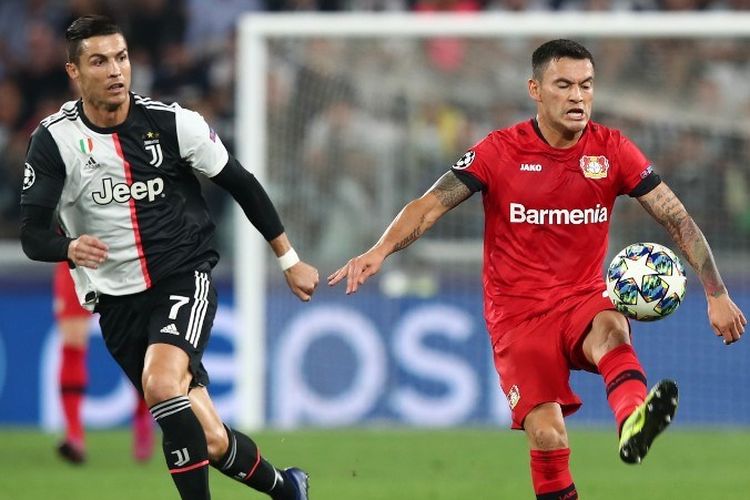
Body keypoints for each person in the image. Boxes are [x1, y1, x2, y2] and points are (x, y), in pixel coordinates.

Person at [328, 39, 747, 499]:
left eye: (586, 85)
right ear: (536, 89)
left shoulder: (613, 150)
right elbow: (428, 207)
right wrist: (380, 249)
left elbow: (676, 217)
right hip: (517, 317)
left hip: (581, 298)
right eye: (563, 85)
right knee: (548, 436)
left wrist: (715, 291)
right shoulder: (500, 151)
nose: (577, 96)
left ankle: (632, 420)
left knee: (612, 327)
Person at [20, 15, 317, 500]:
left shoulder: (174, 124)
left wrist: (288, 259)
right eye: (99, 61)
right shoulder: (54, 142)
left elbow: (240, 182)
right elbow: (32, 234)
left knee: (160, 382)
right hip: (116, 302)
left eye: (121, 57)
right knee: (212, 438)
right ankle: (287, 488)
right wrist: (68, 247)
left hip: (182, 277)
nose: (115, 70)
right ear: (74, 72)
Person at [53, 260, 154, 464]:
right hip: (75, 257)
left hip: (119, 254)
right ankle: (74, 435)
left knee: (136, 344)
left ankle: (143, 417)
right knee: (72, 343)